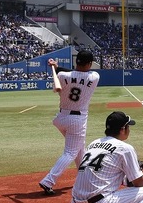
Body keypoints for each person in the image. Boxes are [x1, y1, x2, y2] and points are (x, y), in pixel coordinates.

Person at [39, 50, 100, 195]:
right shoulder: (94, 77)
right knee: (70, 152)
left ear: (76, 61)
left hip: (61, 117)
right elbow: (77, 74)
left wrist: (55, 66)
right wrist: (57, 67)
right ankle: (48, 180)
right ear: (90, 64)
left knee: (79, 148)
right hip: (77, 120)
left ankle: (84, 177)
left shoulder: (61, 75)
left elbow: (65, 78)